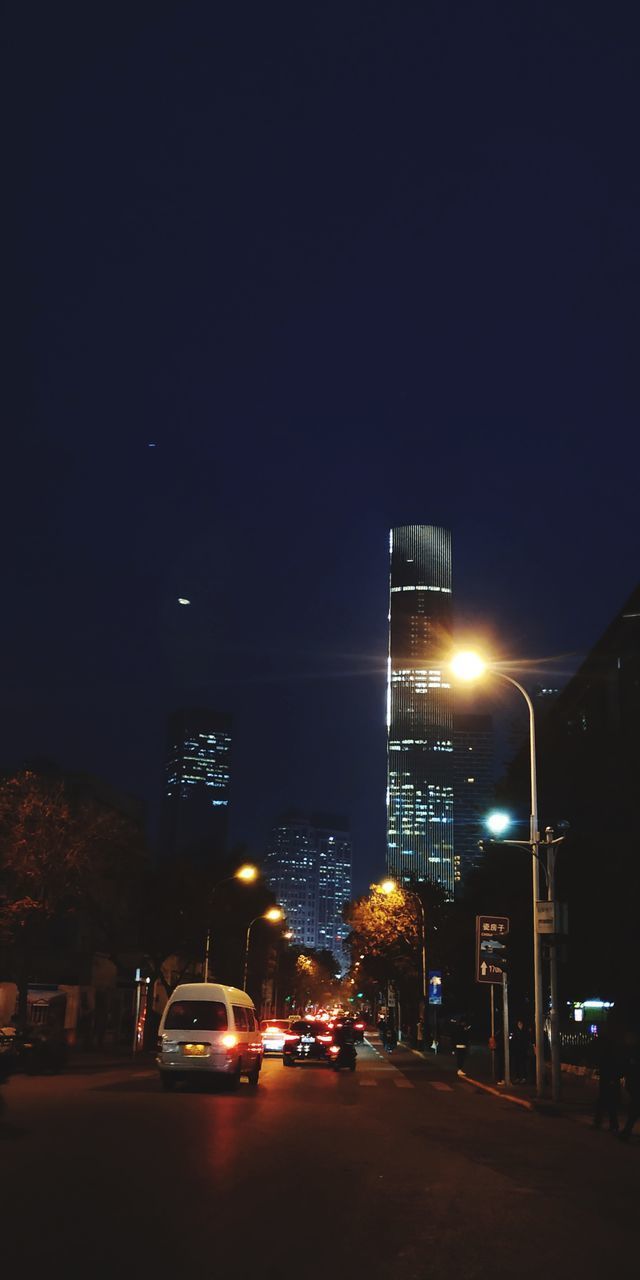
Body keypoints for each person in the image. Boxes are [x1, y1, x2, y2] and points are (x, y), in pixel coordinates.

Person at [593, 1024, 622, 1132]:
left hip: (609, 1076)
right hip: (611, 1077)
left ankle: (603, 1123)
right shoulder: (613, 1045)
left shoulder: (607, 1046)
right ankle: (612, 1125)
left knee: (605, 1101)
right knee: (609, 1102)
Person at [619, 1039, 640, 1142]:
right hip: (635, 1085)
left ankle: (626, 1132)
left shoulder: (633, 1055)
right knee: (634, 1110)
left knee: (634, 1110)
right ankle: (626, 1132)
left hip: (634, 1085)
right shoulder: (633, 1056)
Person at [511, 1019, 531, 1084]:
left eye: (520, 1024)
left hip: (523, 1050)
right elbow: (513, 1040)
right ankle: (518, 1077)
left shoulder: (525, 1032)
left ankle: (524, 1077)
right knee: (517, 1064)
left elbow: (527, 1041)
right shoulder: (516, 1031)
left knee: (523, 1065)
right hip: (517, 1050)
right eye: (518, 1024)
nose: (519, 1025)